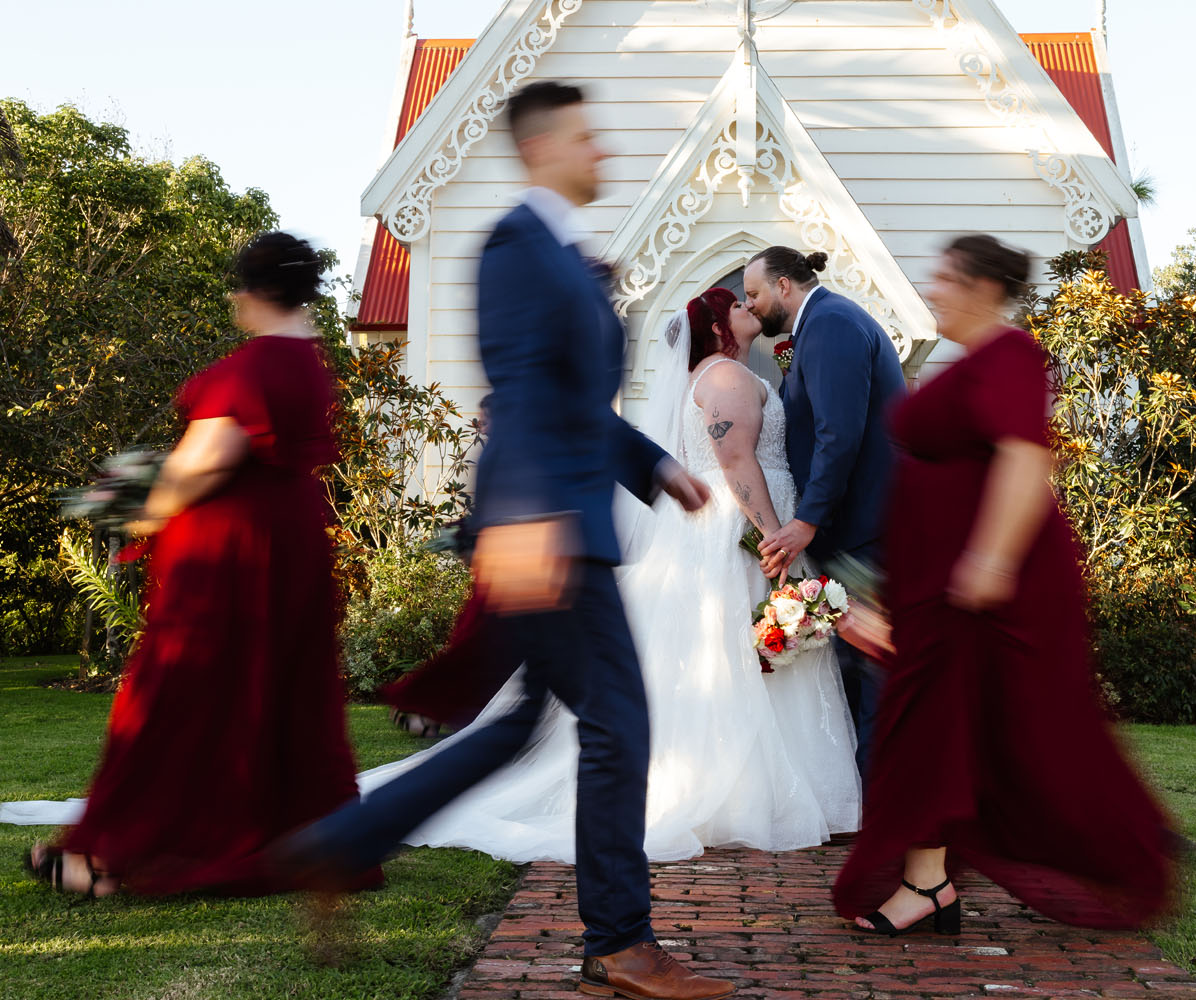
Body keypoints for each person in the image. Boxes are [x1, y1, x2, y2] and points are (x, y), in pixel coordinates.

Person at [271, 82, 733, 1000]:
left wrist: (652, 467)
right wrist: (533, 525)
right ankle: (621, 940)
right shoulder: (518, 248)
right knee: (617, 726)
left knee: (521, 725)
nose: (600, 150)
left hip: (553, 520)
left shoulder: (564, 252)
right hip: (547, 529)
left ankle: (337, 847)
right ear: (543, 145)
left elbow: (573, 401)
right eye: (585, 137)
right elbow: (521, 393)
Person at [353, 287, 860, 861]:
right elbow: (736, 459)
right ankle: (740, 798)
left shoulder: (721, 375)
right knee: (733, 653)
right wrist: (774, 536)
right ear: (719, 326)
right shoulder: (726, 379)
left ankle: (771, 792)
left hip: (723, 525)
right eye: (738, 305)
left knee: (739, 653)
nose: (749, 307)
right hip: (737, 528)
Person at [13, 232, 380, 898]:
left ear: (251, 290)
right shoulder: (311, 362)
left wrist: (140, 501)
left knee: (181, 699)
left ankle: (115, 855)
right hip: (291, 550)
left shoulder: (253, 368)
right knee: (280, 694)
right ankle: (315, 844)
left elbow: (205, 463)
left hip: (232, 563)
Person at [833, 235, 1176, 936]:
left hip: (987, 587)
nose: (932, 289)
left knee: (986, 730)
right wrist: (884, 592)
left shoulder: (1011, 355)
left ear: (982, 287)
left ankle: (952, 882)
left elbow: (1025, 460)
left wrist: (987, 564)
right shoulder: (971, 364)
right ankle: (928, 885)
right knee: (939, 731)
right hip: (935, 587)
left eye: (944, 278)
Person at [743, 247, 906, 778]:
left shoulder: (832, 324)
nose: (751, 305)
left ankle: (880, 800)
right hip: (853, 526)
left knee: (874, 667)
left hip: (868, 527)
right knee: (855, 665)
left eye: (754, 294)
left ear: (785, 286)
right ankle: (864, 794)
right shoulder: (820, 325)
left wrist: (807, 519)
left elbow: (840, 435)